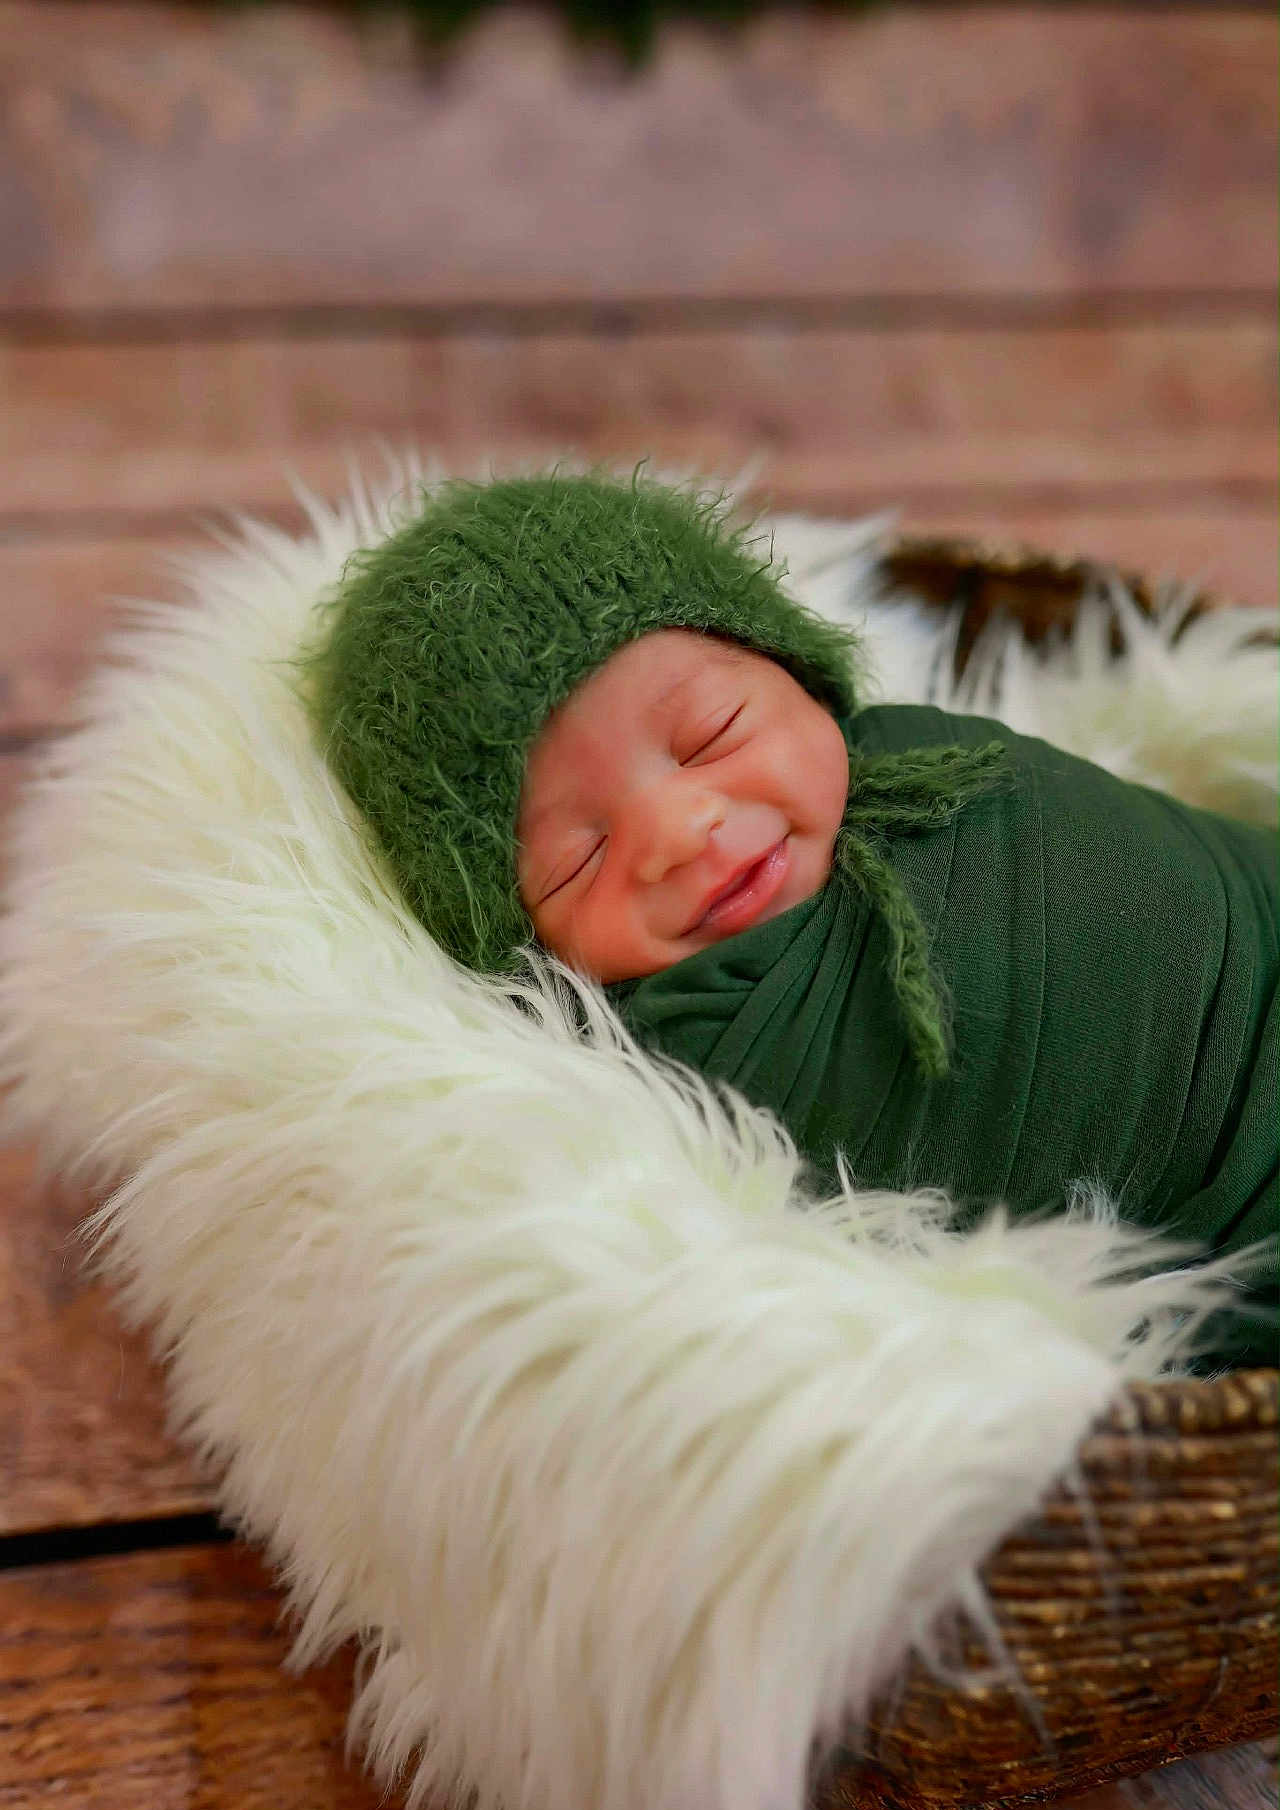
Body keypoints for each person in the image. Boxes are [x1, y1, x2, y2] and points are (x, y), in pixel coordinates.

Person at [307, 472, 1278, 1374]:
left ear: (800, 676)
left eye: (710, 735)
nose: (677, 832)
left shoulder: (925, 763)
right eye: (579, 859)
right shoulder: (664, 1079)